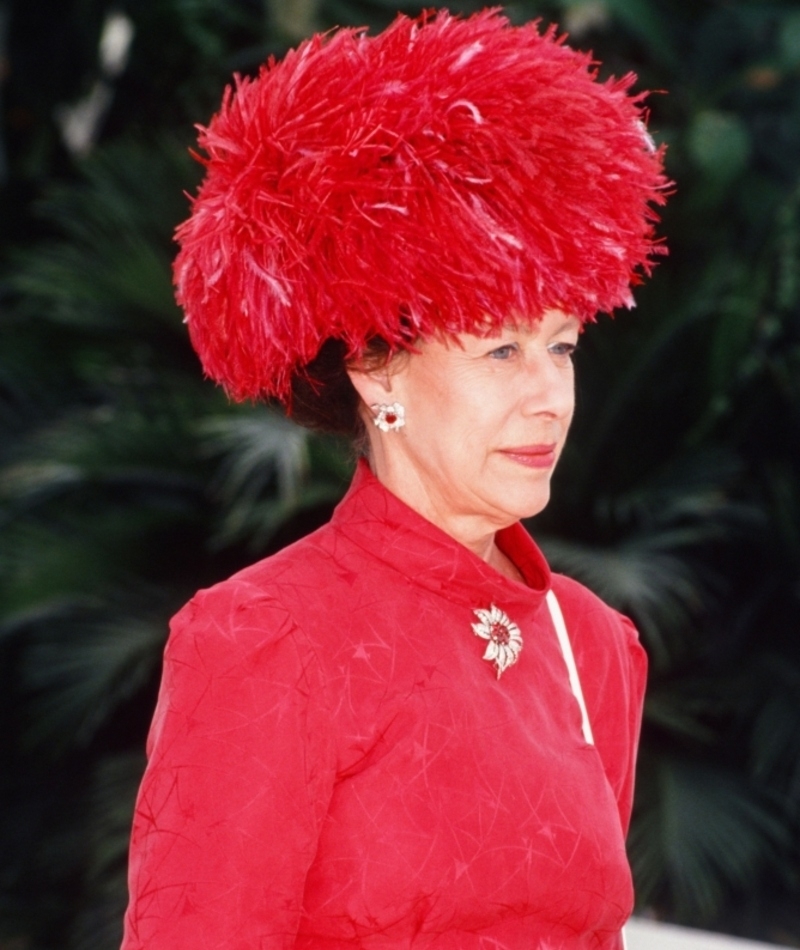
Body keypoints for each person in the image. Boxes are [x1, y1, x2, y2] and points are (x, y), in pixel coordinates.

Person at [121, 9, 668, 949]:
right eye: (502, 349)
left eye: (563, 346)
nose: (551, 397)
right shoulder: (264, 639)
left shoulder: (593, 645)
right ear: (377, 370)